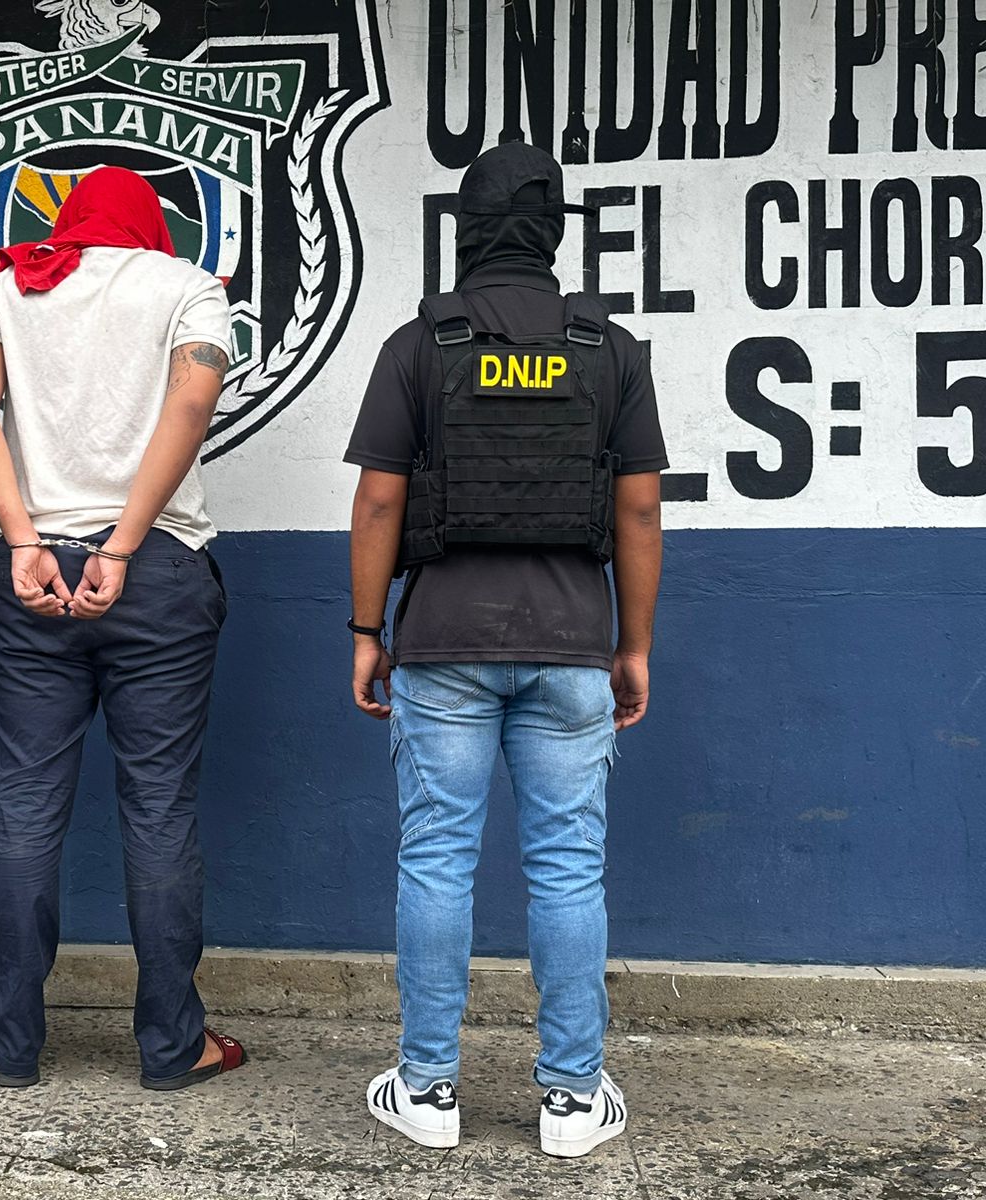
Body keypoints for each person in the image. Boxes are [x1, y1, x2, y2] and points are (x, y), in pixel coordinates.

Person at [345, 141, 666, 1156]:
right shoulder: (608, 350)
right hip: (573, 642)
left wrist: (366, 632)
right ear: (555, 232)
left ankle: (427, 1089)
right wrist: (632, 647)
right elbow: (640, 512)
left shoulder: (420, 344)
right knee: (567, 868)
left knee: (437, 859)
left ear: (466, 230)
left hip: (441, 642)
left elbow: (379, 502)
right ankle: (571, 1099)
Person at [0, 166, 245, 1092]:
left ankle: (12, 1041)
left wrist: (22, 535)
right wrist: (120, 546)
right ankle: (172, 1046)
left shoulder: (6, 290)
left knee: (26, 805)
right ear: (150, 223)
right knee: (159, 808)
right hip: (156, 574)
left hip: (31, 570)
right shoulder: (187, 287)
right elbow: (191, 403)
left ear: (71, 220)